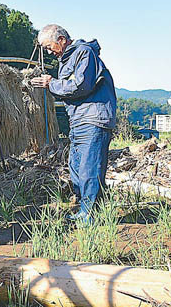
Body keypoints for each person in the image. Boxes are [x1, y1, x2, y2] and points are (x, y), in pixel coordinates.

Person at [30, 24, 117, 222]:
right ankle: (84, 209)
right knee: (76, 167)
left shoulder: (83, 53)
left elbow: (80, 85)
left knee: (89, 168)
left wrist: (50, 83)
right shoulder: (67, 59)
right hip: (79, 120)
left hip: (93, 118)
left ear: (61, 39)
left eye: (48, 46)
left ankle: (90, 215)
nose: (48, 51)